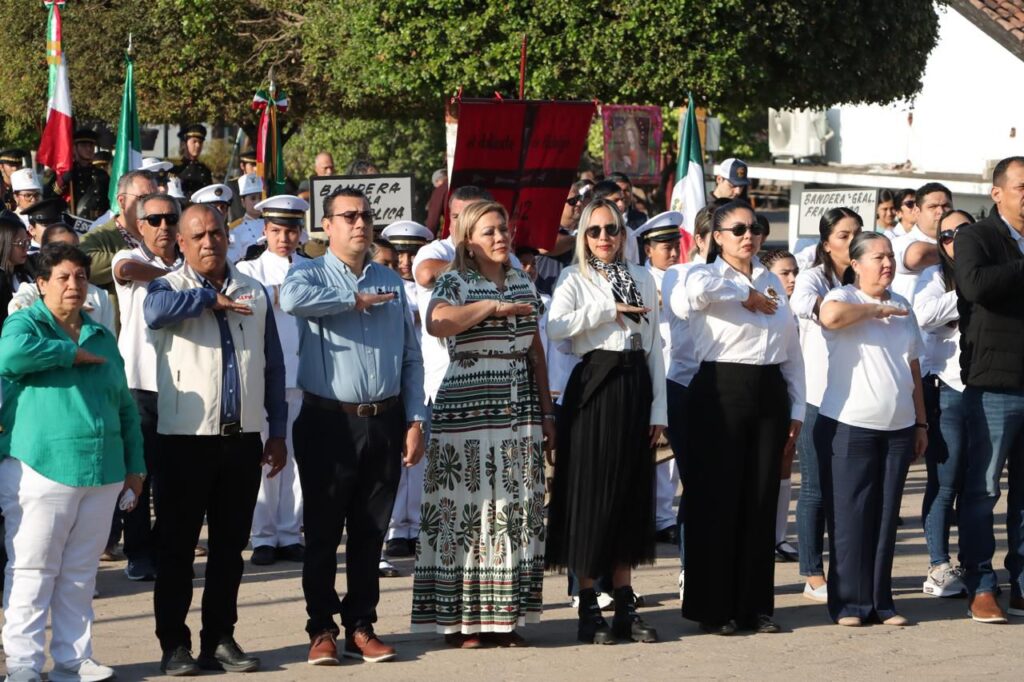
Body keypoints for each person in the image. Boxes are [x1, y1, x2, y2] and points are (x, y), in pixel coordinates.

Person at [280, 186, 425, 666]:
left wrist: (415, 418)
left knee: (370, 532)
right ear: (327, 226)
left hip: (383, 420)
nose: (361, 224)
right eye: (349, 216)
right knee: (323, 532)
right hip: (328, 421)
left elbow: (410, 355)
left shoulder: (391, 279)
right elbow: (293, 300)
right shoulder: (308, 272)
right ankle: (320, 627)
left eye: (365, 216)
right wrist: (352, 297)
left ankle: (360, 626)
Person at [144, 203, 287, 675]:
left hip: (241, 440)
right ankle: (173, 644)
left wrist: (277, 431)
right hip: (184, 441)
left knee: (229, 549)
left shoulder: (255, 290)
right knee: (177, 549)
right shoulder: (169, 287)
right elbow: (155, 312)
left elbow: (273, 366)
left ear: (230, 236)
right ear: (180, 244)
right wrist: (210, 301)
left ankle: (220, 638)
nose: (210, 242)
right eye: (198, 235)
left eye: (217, 232)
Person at [0, 242, 145, 682]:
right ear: (40, 283)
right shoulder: (24, 324)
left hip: (102, 470)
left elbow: (124, 406)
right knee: (32, 571)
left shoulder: (101, 333)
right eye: (62, 277)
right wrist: (69, 353)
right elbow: (9, 358)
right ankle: (23, 665)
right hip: (39, 467)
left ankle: (72, 660)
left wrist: (135, 467)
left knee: (80, 573)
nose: (73, 285)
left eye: (81, 277)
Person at [411, 200, 553, 647]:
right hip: (467, 406)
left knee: (512, 511)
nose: (500, 237)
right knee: (466, 510)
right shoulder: (455, 280)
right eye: (490, 231)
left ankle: (503, 618)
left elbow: (536, 350)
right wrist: (490, 308)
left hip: (519, 405)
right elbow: (436, 323)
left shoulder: (520, 281)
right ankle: (461, 623)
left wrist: (548, 413)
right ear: (469, 241)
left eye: (504, 230)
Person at [546, 198, 666, 645]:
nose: (603, 238)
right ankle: (588, 603)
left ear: (623, 233)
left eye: (611, 230)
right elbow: (556, 327)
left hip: (636, 385)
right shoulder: (573, 277)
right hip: (595, 384)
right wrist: (606, 310)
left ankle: (625, 602)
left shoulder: (643, 277)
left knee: (630, 494)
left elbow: (654, 346)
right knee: (590, 493)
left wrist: (658, 411)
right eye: (594, 230)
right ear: (582, 235)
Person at [682, 199, 804, 635]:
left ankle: (754, 605)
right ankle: (715, 608)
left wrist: (798, 405)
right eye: (737, 229)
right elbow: (691, 297)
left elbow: (791, 347)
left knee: (760, 498)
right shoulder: (702, 272)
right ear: (717, 236)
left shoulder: (772, 279)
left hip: (769, 390)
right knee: (719, 500)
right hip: (722, 389)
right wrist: (741, 293)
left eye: (754, 228)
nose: (748, 236)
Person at [814, 231, 927, 627]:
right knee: (850, 517)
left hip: (897, 427)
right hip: (849, 424)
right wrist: (873, 310)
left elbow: (912, 365)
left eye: (891, 256)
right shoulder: (843, 297)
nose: (887, 264)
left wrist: (920, 421)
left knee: (884, 516)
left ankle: (881, 601)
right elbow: (830, 319)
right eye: (878, 257)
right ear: (856, 265)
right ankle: (849, 604)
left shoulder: (903, 304)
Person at [954, 156, 1024, 624]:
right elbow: (974, 286)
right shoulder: (975, 236)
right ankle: (981, 584)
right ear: (997, 192)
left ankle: (1020, 584)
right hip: (995, 384)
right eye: (1022, 187)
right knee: (982, 492)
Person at [789, 207, 862, 603]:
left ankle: (846, 569)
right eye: (843, 235)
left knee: (846, 491)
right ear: (825, 243)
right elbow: (801, 304)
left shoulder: (866, 275)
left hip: (856, 399)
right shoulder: (814, 276)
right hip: (816, 397)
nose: (852, 242)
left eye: (857, 234)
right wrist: (829, 310)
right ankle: (812, 573)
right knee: (815, 488)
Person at [109, 193, 183, 582]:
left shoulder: (190, 263)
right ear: (139, 226)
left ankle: (165, 549)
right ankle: (136, 552)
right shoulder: (131, 260)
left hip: (185, 388)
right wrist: (184, 281)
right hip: (140, 386)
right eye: (154, 219)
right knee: (138, 476)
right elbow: (125, 270)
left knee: (176, 479)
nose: (164, 226)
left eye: (171, 218)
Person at [236, 195, 310, 567]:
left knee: (297, 460)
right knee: (267, 457)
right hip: (265, 376)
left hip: (305, 374)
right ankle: (263, 535)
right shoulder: (249, 269)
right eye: (277, 230)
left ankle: (288, 532)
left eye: (292, 230)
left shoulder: (312, 267)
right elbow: (246, 304)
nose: (285, 238)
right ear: (265, 231)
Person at [913, 209, 975, 598]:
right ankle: (938, 564)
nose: (954, 240)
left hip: (990, 389)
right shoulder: (935, 277)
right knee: (945, 481)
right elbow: (923, 314)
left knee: (980, 486)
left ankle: (973, 563)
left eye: (962, 232)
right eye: (946, 235)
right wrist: (971, 287)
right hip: (947, 390)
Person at [661, 206, 714, 603]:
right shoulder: (679, 275)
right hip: (686, 385)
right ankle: (690, 567)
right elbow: (685, 305)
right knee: (696, 483)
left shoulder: (754, 276)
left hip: (734, 387)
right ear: (699, 240)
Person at [379, 220, 433, 560]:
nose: (404, 262)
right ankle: (398, 527)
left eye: (411, 254)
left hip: (430, 378)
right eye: (399, 254)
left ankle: (419, 526)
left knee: (425, 460)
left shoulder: (433, 286)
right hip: (399, 379)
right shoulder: (387, 287)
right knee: (398, 459)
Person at [636, 212, 683, 546]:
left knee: (674, 454)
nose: (672, 253)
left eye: (675, 245)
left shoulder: (684, 276)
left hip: (680, 370)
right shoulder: (641, 280)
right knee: (653, 447)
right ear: (647, 249)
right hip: (651, 369)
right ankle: (654, 516)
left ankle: (665, 515)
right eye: (664, 246)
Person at [760, 248, 801, 562]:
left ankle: (776, 536)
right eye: (785, 273)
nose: (792, 279)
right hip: (765, 389)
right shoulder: (767, 304)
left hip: (790, 392)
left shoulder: (794, 307)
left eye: (795, 272)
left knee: (785, 464)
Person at [11, 222, 115, 334]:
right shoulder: (32, 292)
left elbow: (107, 343)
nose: (72, 255)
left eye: (76, 248)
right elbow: (17, 309)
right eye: (63, 249)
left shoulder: (99, 296)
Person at [80, 170, 158, 297]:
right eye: (143, 198)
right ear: (122, 201)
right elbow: (82, 264)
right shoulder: (100, 237)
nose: (151, 205)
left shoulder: (163, 232)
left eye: (155, 198)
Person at [891, 182, 953, 302]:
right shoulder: (899, 242)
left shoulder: (958, 241)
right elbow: (917, 255)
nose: (941, 211)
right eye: (932, 207)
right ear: (917, 212)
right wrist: (958, 249)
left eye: (946, 205)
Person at [50, 129, 110, 221]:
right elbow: (50, 195)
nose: (89, 149)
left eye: (91, 145)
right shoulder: (66, 173)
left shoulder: (101, 174)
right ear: (74, 148)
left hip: (97, 224)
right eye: (84, 145)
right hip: (72, 223)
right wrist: (63, 181)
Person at [0, 211, 35, 326]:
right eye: (21, 243)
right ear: (4, 243)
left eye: (27, 242)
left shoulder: (28, 269)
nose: (26, 248)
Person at [227, 174, 265, 263]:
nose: (257, 202)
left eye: (260, 198)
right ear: (243, 202)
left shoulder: (271, 224)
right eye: (253, 198)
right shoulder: (235, 229)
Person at [173, 125, 214, 198]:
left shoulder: (205, 170)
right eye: (194, 141)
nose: (198, 145)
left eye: (200, 142)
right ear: (184, 144)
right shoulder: (176, 168)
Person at [227, 151, 259, 222]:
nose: (256, 169)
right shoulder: (233, 186)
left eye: (258, 165)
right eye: (252, 165)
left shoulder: (265, 184)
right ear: (242, 166)